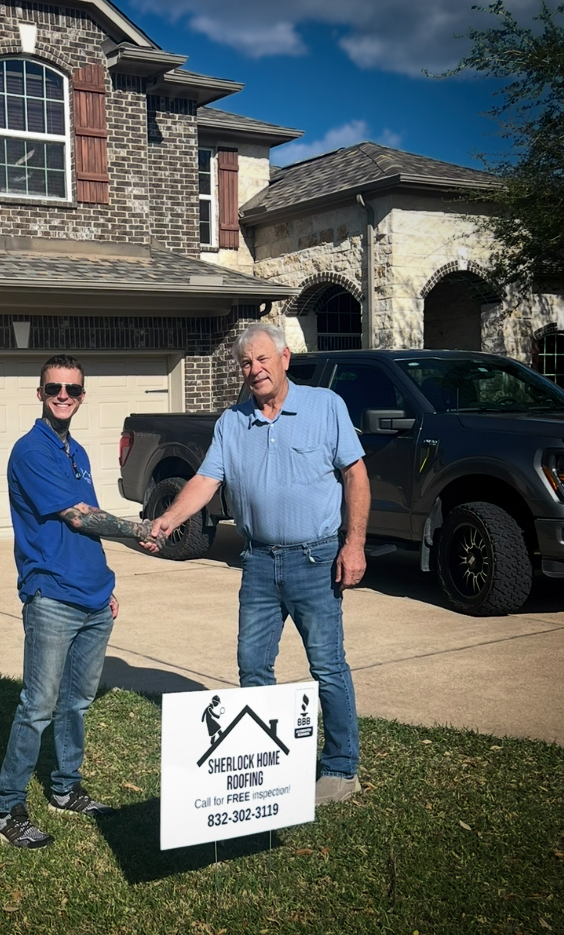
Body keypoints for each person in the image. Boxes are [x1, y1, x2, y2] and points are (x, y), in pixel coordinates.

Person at [147, 323, 370, 805]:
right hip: (259, 563)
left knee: (327, 665)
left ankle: (341, 768)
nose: (255, 369)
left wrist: (355, 544)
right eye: (246, 362)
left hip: (316, 559)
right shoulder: (233, 422)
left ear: (285, 359)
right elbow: (206, 481)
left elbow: (355, 475)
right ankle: (269, 763)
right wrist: (167, 520)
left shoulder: (325, 407)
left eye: (263, 359)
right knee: (252, 665)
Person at [0, 354, 155, 849]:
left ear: (82, 396)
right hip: (52, 596)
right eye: (54, 388)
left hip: (93, 597)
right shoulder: (31, 451)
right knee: (38, 705)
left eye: (72, 389)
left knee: (77, 702)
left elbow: (90, 525)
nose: (63, 396)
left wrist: (105, 585)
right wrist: (140, 529)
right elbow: (79, 516)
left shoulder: (76, 451)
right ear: (40, 394)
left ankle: (65, 789)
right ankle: (8, 808)